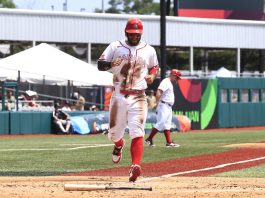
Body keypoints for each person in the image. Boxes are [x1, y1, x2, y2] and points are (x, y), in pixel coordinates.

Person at [97, 18, 159, 182]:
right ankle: (118, 144)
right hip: (118, 95)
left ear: (141, 33)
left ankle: (135, 166)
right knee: (113, 134)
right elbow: (100, 64)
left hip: (138, 95)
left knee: (137, 131)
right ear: (126, 32)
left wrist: (152, 75)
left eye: (137, 34)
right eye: (131, 34)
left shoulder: (149, 49)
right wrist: (111, 63)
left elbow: (154, 66)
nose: (134, 37)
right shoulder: (115, 46)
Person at [145, 69, 182, 147]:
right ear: (172, 75)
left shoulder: (170, 83)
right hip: (163, 105)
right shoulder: (166, 81)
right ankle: (149, 139)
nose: (177, 79)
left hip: (168, 106)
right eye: (177, 77)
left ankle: (168, 142)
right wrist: (157, 102)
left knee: (167, 125)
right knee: (161, 123)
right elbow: (159, 91)